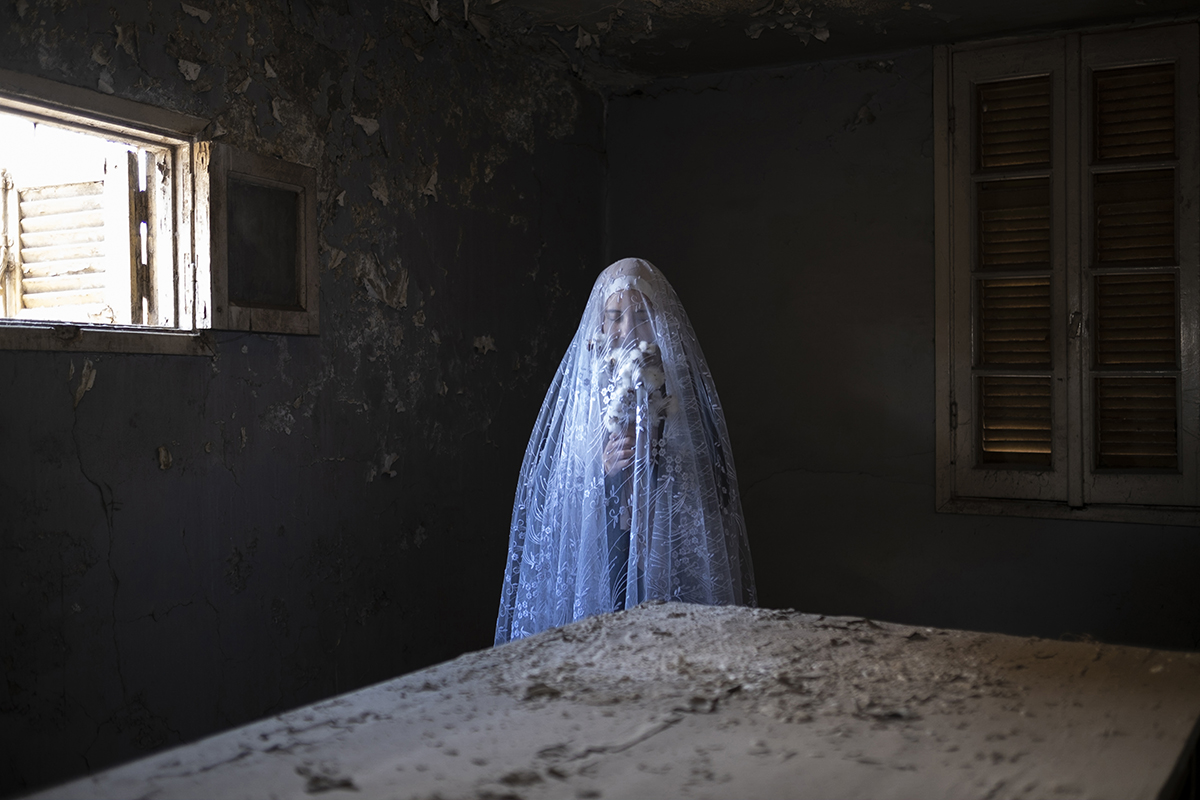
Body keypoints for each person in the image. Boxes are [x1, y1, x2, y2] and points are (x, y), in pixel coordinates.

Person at [494, 258, 756, 645]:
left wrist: (661, 459)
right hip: (606, 545)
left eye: (642, 315)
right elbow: (561, 493)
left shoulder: (681, 387)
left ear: (660, 321)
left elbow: (713, 486)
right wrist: (603, 469)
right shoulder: (586, 390)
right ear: (601, 323)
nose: (628, 329)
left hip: (666, 546)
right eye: (616, 317)